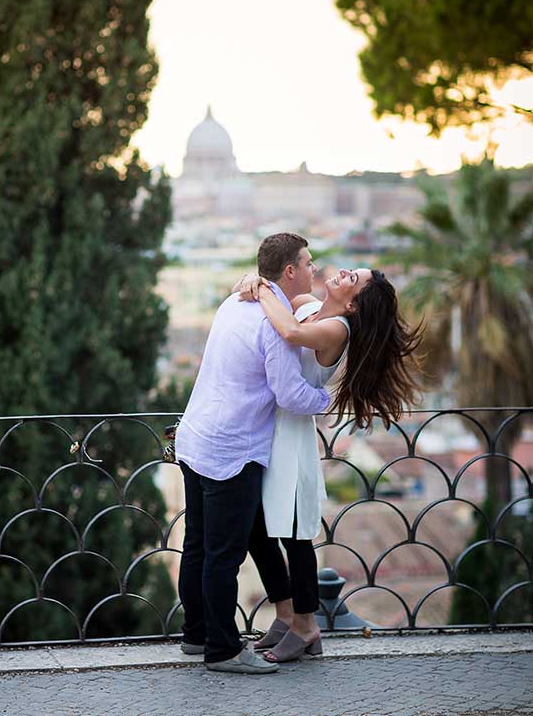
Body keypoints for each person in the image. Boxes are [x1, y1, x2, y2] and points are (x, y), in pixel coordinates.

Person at [236, 265, 423, 662]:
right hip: (269, 433)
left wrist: (263, 290)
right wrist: (253, 283)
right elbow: (284, 307)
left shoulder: (338, 328)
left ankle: (307, 626)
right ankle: (286, 615)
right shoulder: (308, 304)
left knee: (295, 536)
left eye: (351, 279)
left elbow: (290, 333)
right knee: (257, 529)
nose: (341, 273)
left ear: (354, 303)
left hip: (292, 439)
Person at [174, 233, 328, 674]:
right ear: (289, 271)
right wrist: (330, 401)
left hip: (195, 436)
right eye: (308, 262)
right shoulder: (271, 323)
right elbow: (290, 393)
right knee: (225, 555)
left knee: (199, 546)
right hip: (232, 448)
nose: (314, 270)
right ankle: (222, 650)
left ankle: (197, 634)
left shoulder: (234, 302)